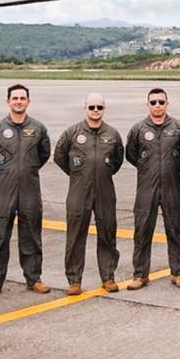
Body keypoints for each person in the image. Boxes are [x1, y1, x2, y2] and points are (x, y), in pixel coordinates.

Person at [0, 84, 52, 298]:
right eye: (15, 98)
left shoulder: (38, 128)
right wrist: (6, 173)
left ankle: (34, 279)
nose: (19, 101)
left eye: (22, 98)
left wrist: (26, 170)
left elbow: (44, 154)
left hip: (30, 190)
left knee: (31, 235)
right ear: (8, 102)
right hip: (3, 190)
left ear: (28, 101)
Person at [53, 93, 124, 295]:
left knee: (108, 233)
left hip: (105, 191)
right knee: (75, 235)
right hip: (78, 190)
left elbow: (117, 161)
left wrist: (100, 173)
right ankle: (74, 281)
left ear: (104, 109)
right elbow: (60, 157)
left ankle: (108, 277)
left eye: (99, 107)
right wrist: (78, 175)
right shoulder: (72, 132)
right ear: (85, 107)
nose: (95, 110)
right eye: (92, 107)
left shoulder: (112, 134)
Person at [125, 88, 180, 290]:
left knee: (176, 228)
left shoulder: (179, 128)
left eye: (161, 102)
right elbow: (131, 155)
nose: (157, 106)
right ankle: (140, 274)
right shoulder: (138, 129)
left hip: (172, 186)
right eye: (153, 102)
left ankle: (178, 273)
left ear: (167, 104)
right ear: (147, 105)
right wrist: (149, 170)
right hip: (146, 187)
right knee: (143, 229)